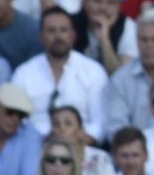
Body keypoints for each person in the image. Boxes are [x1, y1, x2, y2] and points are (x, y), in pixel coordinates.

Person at [11, 8, 109, 139]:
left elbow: (100, 122)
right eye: (51, 31)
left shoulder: (93, 71)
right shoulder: (23, 73)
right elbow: (16, 119)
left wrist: (79, 141)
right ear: (41, 37)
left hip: (81, 145)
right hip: (35, 145)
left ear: (73, 36)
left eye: (63, 30)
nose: (58, 36)